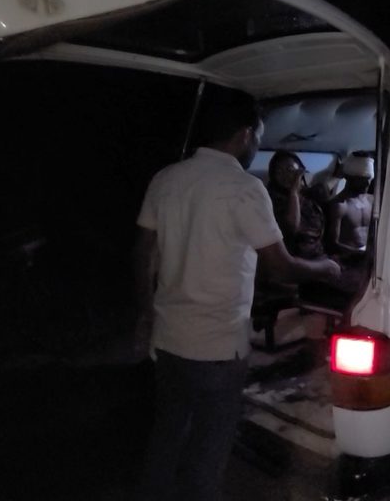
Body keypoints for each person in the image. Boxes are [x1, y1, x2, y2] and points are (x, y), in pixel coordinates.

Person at [131, 86, 340, 501]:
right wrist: (326, 268)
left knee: (167, 433)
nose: (257, 143)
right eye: (258, 135)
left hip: (168, 340)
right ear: (245, 134)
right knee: (209, 448)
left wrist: (146, 314)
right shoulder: (244, 188)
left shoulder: (166, 178)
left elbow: (142, 254)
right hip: (218, 347)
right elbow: (280, 266)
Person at [266, 150, 326, 260]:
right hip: (294, 259)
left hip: (318, 254)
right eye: (279, 172)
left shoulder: (308, 195)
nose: (285, 176)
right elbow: (292, 227)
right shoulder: (271, 199)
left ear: (300, 172)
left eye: (290, 170)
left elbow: (325, 188)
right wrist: (293, 192)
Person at [326, 153, 375, 257]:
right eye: (362, 179)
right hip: (347, 259)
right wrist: (360, 254)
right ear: (349, 177)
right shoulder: (339, 205)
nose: (367, 184)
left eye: (369, 179)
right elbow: (332, 244)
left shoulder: (372, 201)